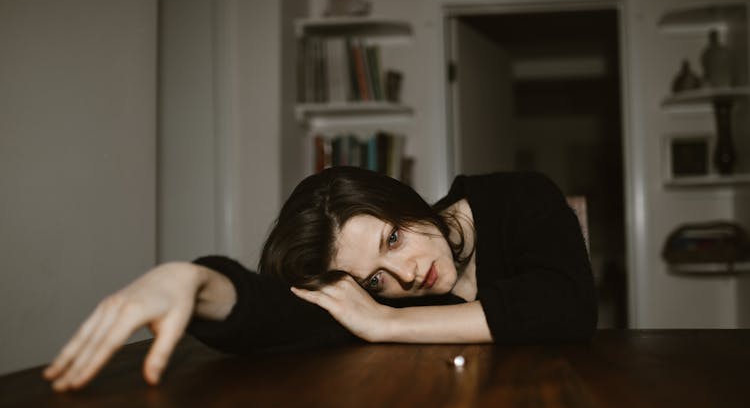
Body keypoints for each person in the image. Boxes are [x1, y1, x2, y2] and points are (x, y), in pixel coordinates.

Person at [43, 167, 596, 392]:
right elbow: (280, 312)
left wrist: (383, 325)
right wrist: (193, 280)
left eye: (393, 239)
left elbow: (567, 306)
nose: (405, 276)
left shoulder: (518, 195)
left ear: (400, 199)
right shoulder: (377, 292)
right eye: (374, 281)